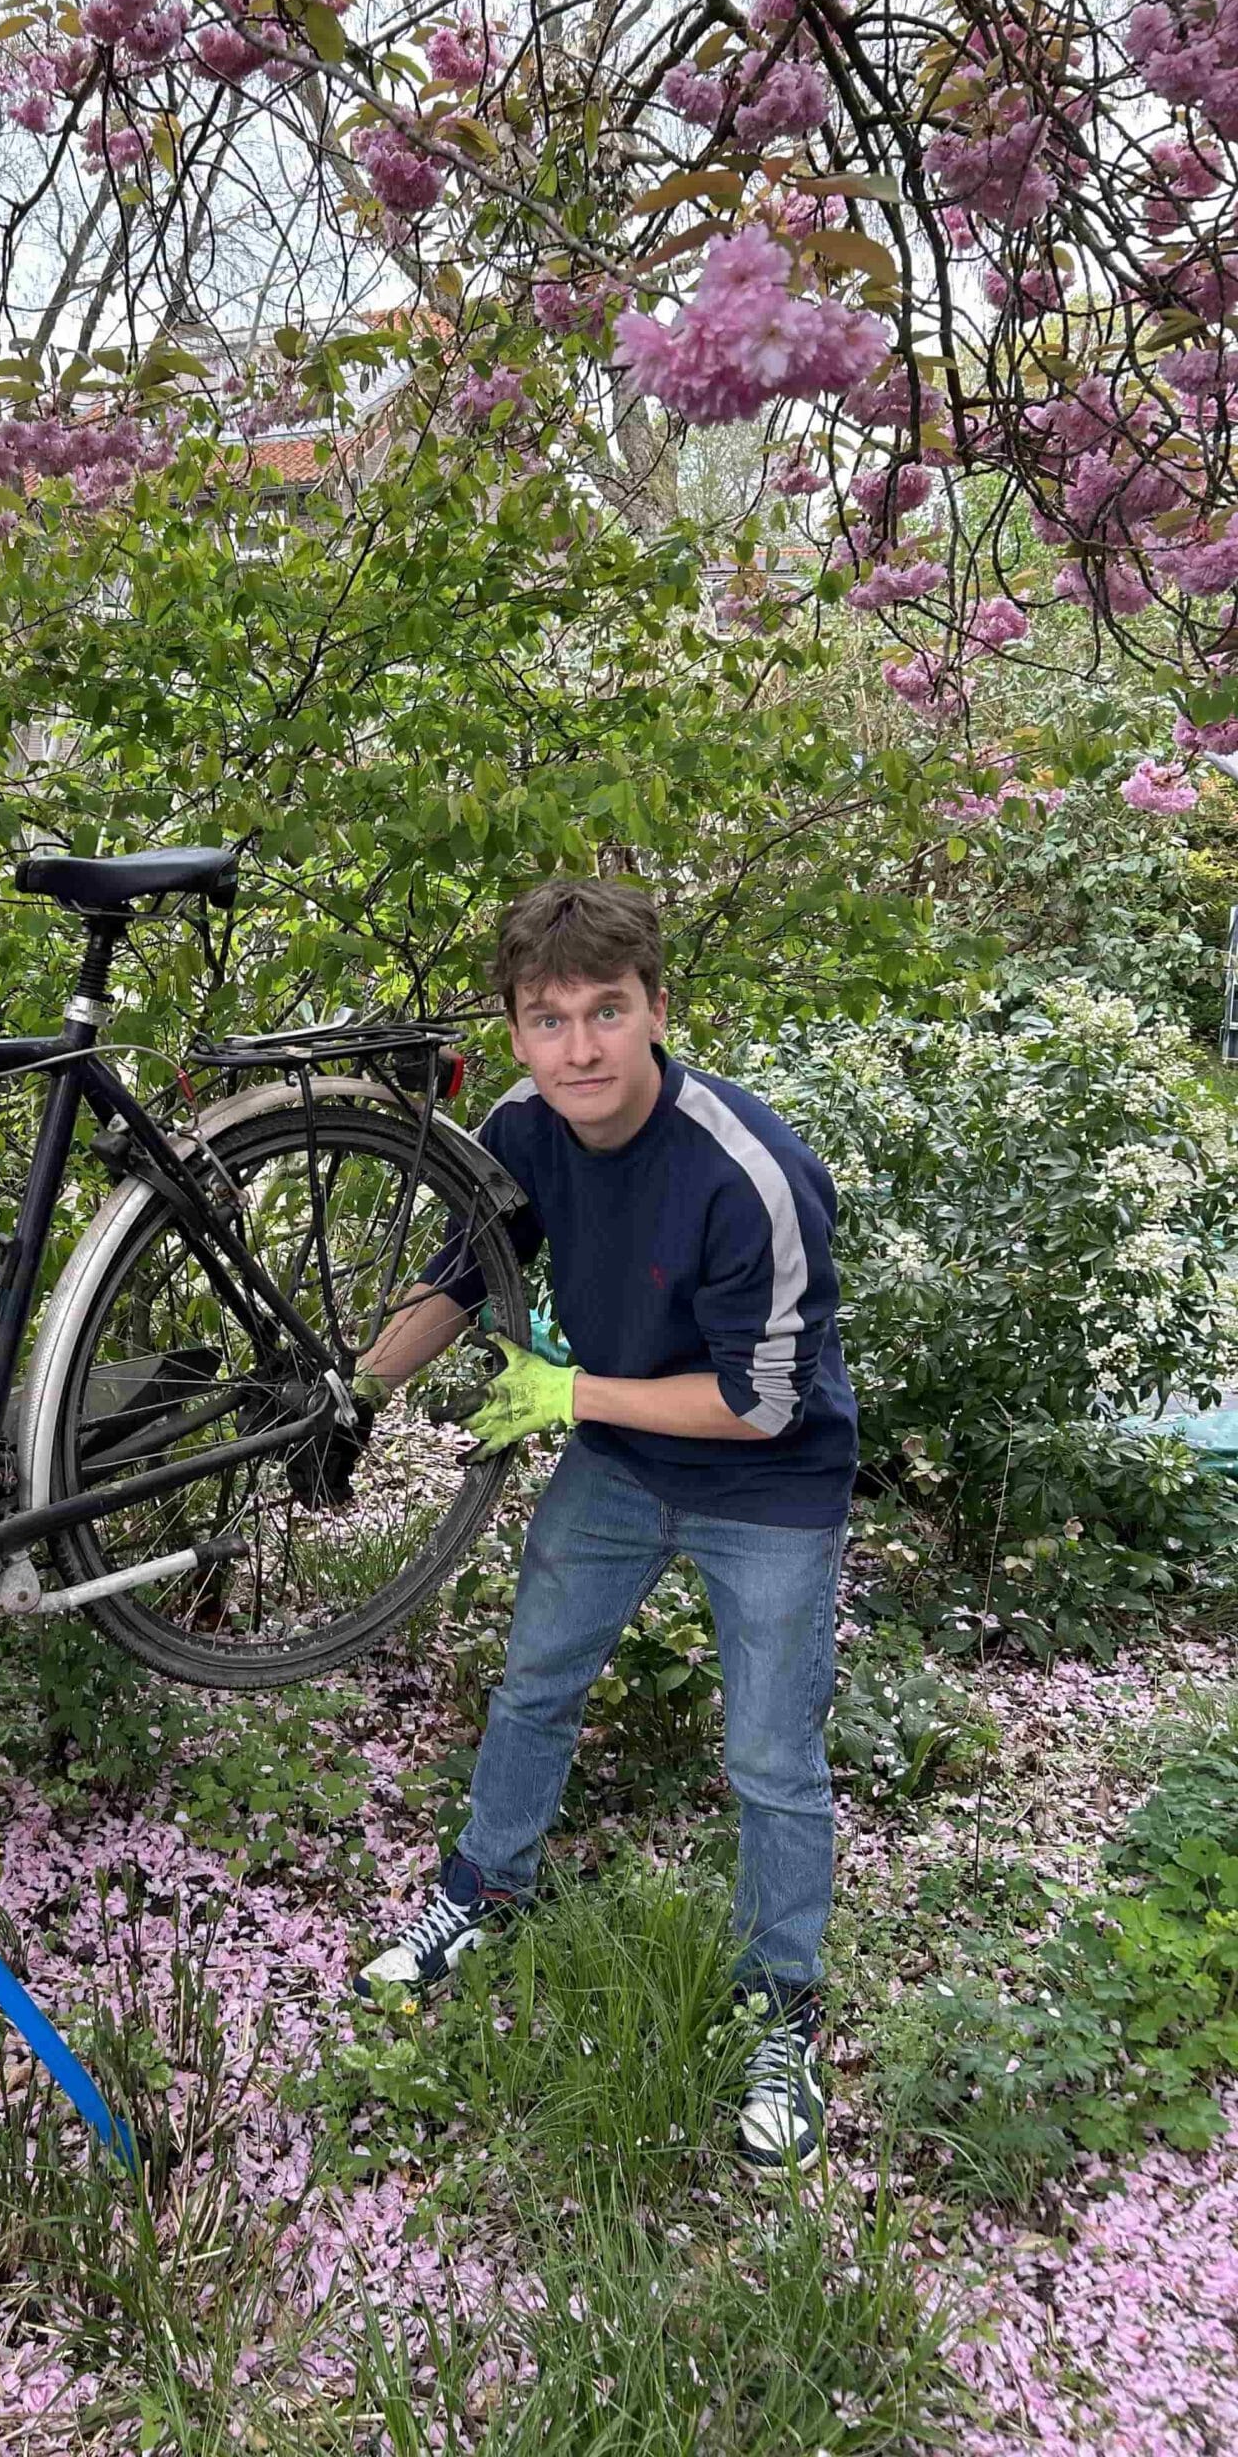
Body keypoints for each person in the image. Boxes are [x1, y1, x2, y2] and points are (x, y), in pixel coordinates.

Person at [346, 877, 858, 2171]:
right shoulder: (520, 1130)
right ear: (515, 1030)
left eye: (606, 1013)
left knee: (771, 1758)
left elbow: (759, 1402)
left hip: (769, 1489)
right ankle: (481, 1894)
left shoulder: (754, 1175)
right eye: (548, 1017)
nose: (579, 1048)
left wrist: (570, 1392)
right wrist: (352, 1393)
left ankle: (780, 2013)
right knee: (532, 1684)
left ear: (656, 1012)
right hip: (621, 1463)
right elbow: (464, 1277)